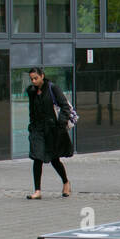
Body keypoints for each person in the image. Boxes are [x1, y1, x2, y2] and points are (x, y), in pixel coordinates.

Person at [24, 67, 73, 199]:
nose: (33, 81)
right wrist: (32, 126)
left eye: (36, 78)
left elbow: (65, 106)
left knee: (54, 159)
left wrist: (61, 124)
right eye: (31, 79)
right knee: (37, 157)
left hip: (52, 130)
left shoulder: (52, 88)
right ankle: (37, 190)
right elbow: (32, 110)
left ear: (42, 76)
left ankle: (66, 182)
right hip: (37, 129)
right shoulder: (32, 92)